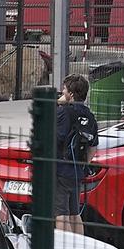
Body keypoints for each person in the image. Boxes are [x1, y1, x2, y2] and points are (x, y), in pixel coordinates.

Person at [54, 73, 99, 237]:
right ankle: (80, 247)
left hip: (60, 170)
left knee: (61, 213)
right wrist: (82, 165)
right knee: (75, 213)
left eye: (64, 90)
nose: (62, 93)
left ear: (70, 94)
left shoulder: (63, 113)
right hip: (77, 172)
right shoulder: (90, 116)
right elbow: (93, 147)